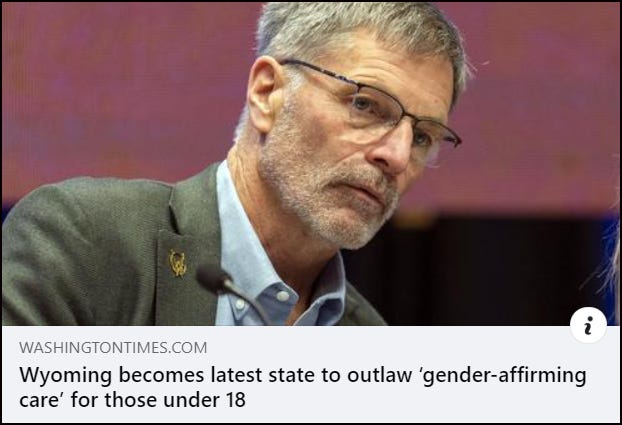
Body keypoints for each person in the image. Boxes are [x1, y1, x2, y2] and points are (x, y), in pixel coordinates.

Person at [2, 2, 470, 325]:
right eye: (366, 105)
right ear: (268, 93)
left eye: (423, 136)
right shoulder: (87, 242)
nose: (396, 156)